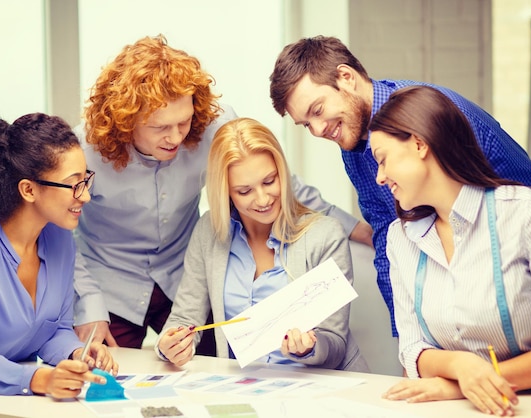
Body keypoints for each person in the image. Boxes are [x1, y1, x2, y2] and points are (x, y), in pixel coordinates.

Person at [73, 34, 371, 351]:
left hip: (183, 276)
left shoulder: (213, 126)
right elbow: (56, 232)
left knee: (209, 369)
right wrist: (87, 303)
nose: (175, 138)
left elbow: (277, 180)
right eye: (160, 127)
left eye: (183, 122)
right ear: (126, 121)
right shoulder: (84, 151)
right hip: (109, 287)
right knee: (106, 383)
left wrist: (355, 228)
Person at [269, 35, 531, 337]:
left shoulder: (440, 114)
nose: (317, 131)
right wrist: (409, 345)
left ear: (346, 78)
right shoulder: (353, 144)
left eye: (317, 110)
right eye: (305, 124)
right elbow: (385, 233)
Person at [367, 86, 531, 415]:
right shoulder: (399, 239)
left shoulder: (530, 213)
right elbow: (412, 350)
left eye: (383, 160)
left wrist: (466, 383)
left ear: (419, 143)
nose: (380, 177)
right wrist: (460, 366)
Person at [155, 117, 369, 372]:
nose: (263, 199)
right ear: (226, 192)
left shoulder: (325, 235)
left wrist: (309, 347)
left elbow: (335, 344)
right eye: (244, 191)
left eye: (269, 181)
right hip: (246, 387)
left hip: (321, 388)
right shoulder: (208, 232)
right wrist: (170, 345)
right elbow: (184, 318)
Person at [0, 113, 118, 397]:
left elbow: (53, 330)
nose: (85, 196)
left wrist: (77, 354)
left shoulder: (60, 239)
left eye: (86, 180)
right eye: (74, 184)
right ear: (29, 190)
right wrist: (41, 380)